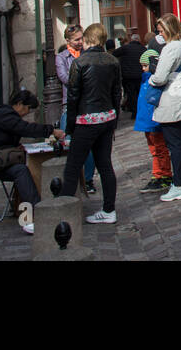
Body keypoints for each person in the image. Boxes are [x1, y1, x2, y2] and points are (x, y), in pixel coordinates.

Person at [0, 88, 65, 235]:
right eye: (27, 109)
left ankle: (25, 212)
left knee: (21, 168)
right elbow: (25, 129)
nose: (26, 113)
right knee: (21, 171)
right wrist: (51, 131)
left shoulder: (5, 114)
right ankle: (36, 215)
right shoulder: (5, 115)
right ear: (19, 104)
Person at [60, 22, 122, 224]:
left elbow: (73, 97)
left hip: (86, 120)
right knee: (105, 165)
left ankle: (65, 215)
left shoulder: (80, 63)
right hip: (106, 118)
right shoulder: (112, 61)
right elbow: (116, 93)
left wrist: (70, 128)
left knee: (72, 167)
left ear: (87, 40)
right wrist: (114, 119)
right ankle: (109, 209)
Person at [149, 15, 181, 202]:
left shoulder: (170, 48)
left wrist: (151, 78)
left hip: (171, 98)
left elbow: (160, 77)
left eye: (161, 30)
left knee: (175, 143)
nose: (159, 34)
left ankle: (178, 184)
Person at [56, 24, 96, 192]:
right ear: (67, 41)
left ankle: (88, 179)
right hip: (70, 105)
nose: (80, 42)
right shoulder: (62, 58)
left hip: (87, 104)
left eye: (81, 39)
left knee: (89, 145)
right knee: (69, 142)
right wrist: (83, 79)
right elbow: (65, 78)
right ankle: (71, 179)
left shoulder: (88, 54)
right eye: (76, 39)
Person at [134, 47, 173, 194]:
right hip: (146, 121)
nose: (143, 69)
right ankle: (158, 173)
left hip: (154, 121)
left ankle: (164, 175)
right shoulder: (146, 80)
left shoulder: (156, 80)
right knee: (154, 149)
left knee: (160, 149)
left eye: (145, 66)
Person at [114, 32, 147, 113]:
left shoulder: (125, 48)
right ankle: (139, 110)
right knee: (140, 93)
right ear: (139, 40)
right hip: (140, 75)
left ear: (131, 40)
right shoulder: (143, 49)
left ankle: (133, 111)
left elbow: (114, 53)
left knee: (131, 94)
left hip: (128, 76)